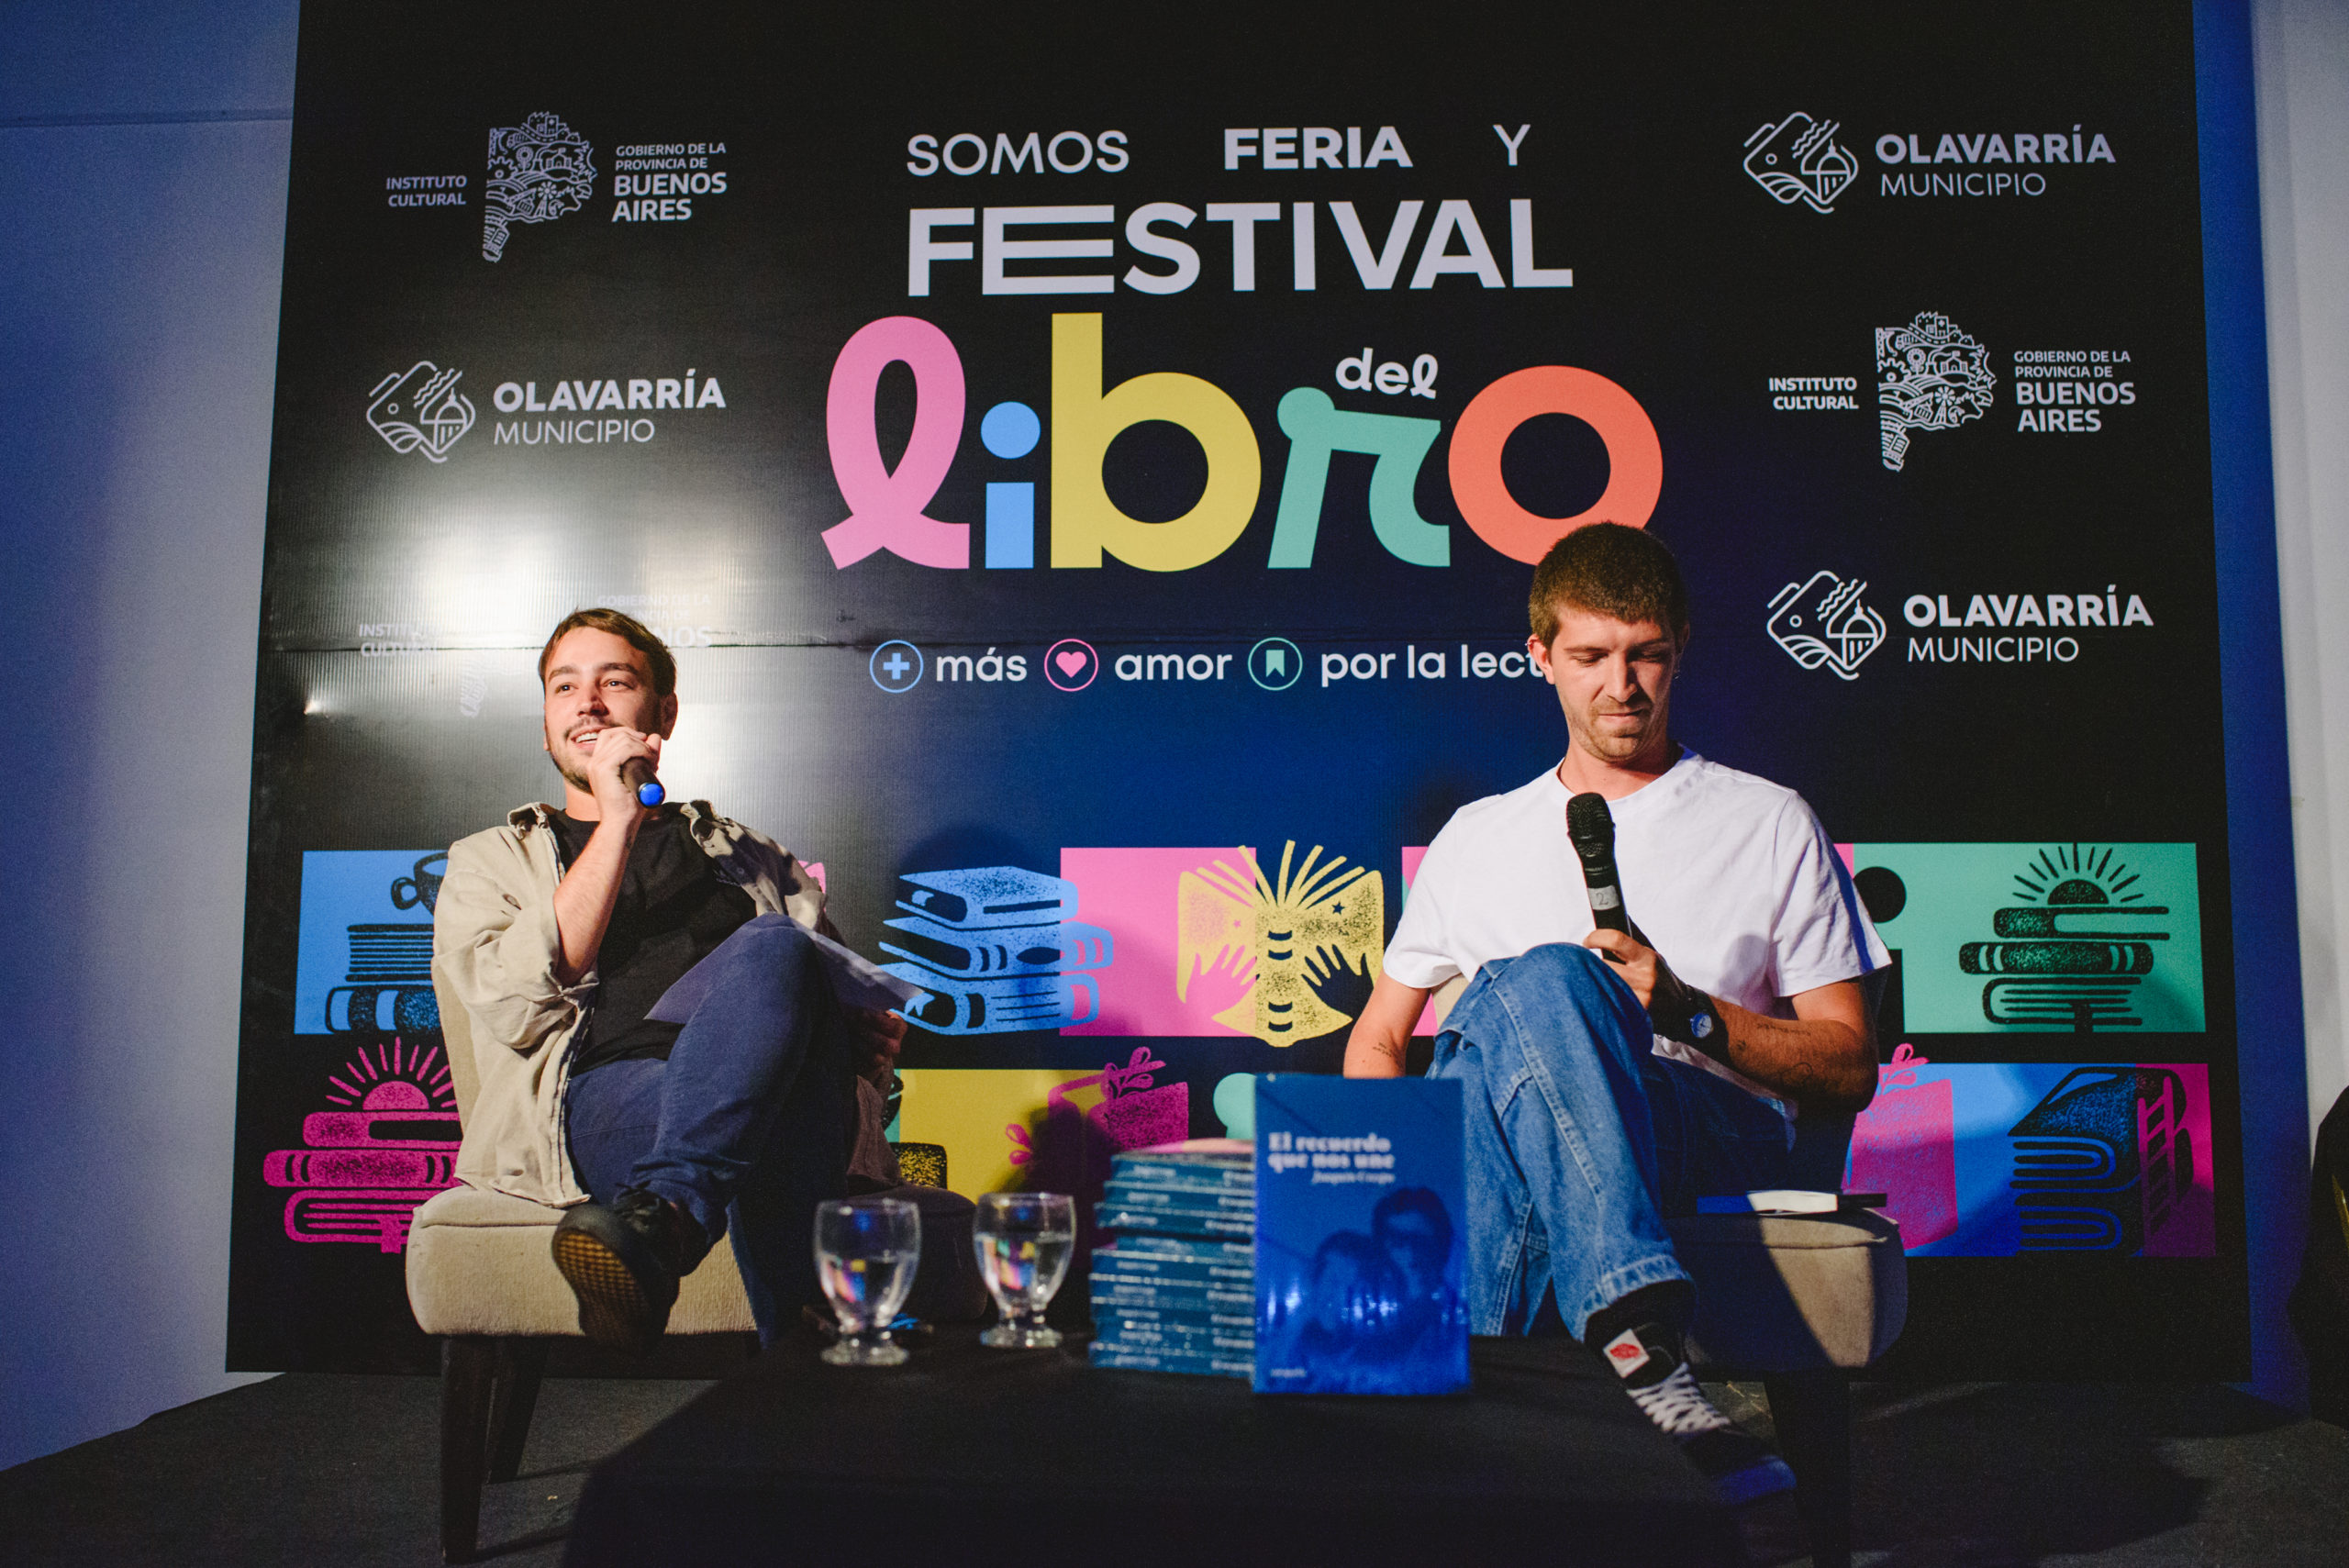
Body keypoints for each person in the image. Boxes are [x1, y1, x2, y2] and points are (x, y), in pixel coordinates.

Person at [1344, 523, 1886, 1506]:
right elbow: (1379, 1039)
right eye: (1591, 656)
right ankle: (1640, 1355)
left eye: (1646, 655)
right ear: (1541, 656)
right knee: (1508, 1035)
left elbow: (1850, 1063)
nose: (1621, 686)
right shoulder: (1475, 835)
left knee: (1539, 981)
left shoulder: (1767, 819)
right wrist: (1397, 1171)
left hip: (1704, 1131)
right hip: (1512, 1137)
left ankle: (1458, 1446)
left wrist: (1687, 1010)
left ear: (1681, 647)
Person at [434, 607, 906, 1354]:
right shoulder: (490, 860)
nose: (588, 704)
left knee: (777, 951)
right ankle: (810, 1379)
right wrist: (617, 819)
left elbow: (836, 1017)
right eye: (565, 687)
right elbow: (514, 1008)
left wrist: (865, 1036)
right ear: (547, 726)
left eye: (615, 682)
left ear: (664, 714)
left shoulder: (753, 856)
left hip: (770, 1090)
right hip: (606, 1101)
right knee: (771, 1121)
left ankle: (664, 1221)